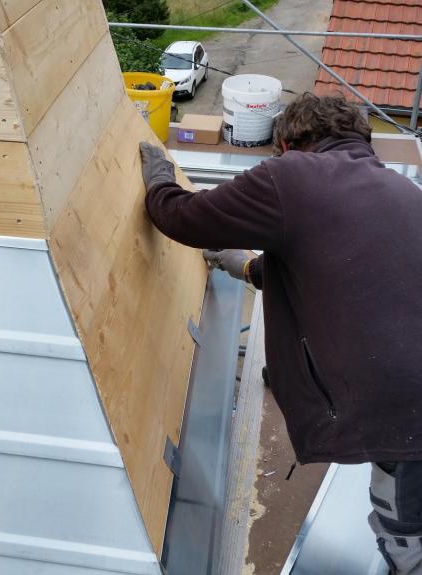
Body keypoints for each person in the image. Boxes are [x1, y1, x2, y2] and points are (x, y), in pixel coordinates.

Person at [139, 93, 422, 575]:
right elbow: (341, 262)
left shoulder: (291, 176)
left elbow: (182, 217)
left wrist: (159, 178)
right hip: (409, 381)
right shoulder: (402, 192)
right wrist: (250, 268)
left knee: (405, 530)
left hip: (402, 406)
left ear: (289, 145)